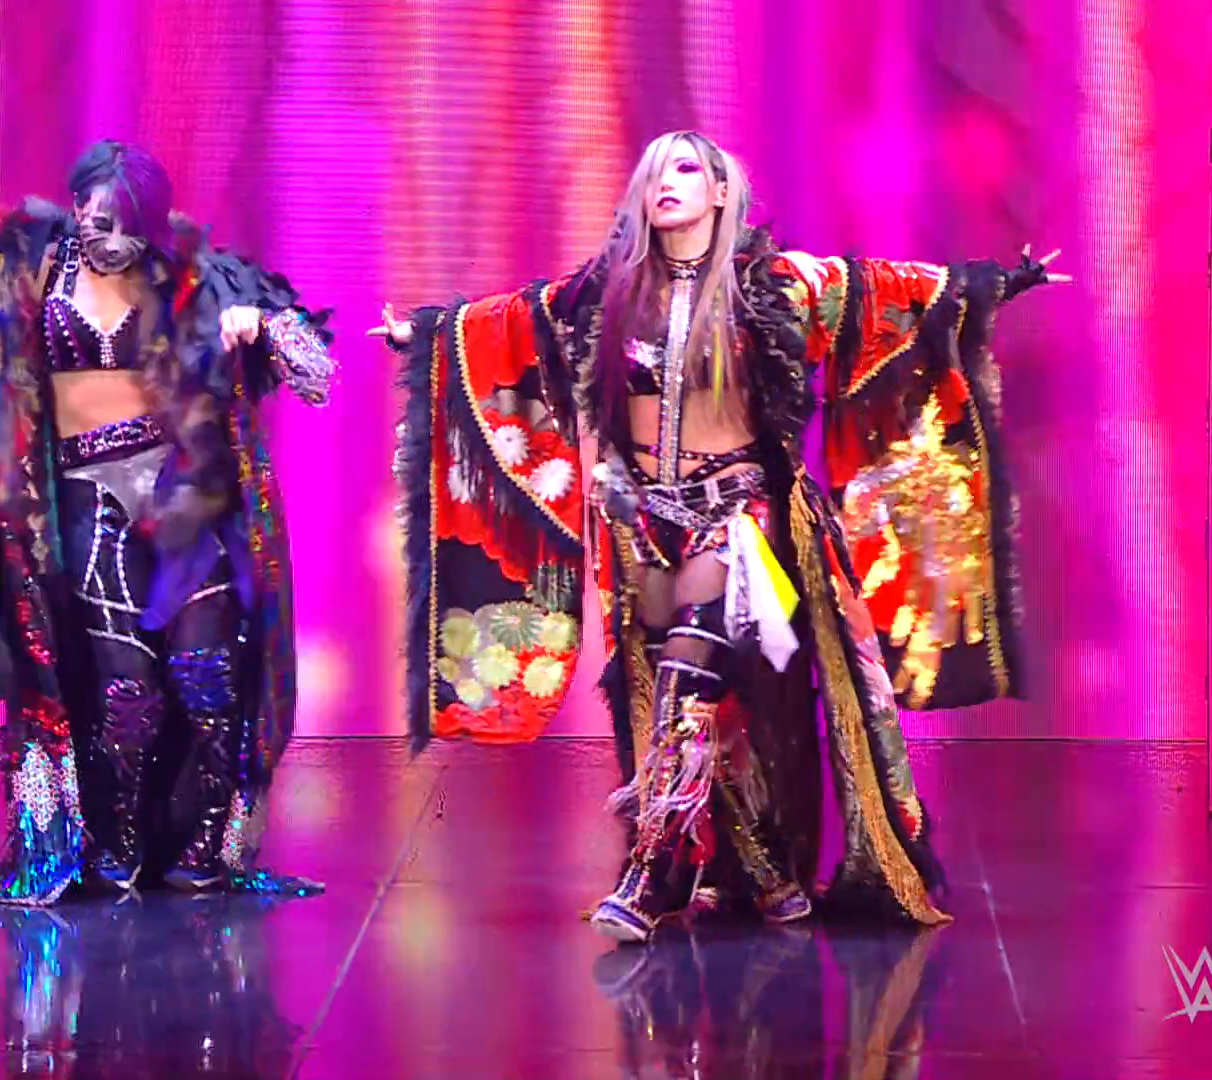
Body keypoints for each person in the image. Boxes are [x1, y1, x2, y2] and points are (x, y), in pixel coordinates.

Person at [375, 130, 1065, 942]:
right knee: (711, 701)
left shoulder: (776, 283)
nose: (665, 184)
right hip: (641, 524)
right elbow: (515, 325)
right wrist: (427, 335)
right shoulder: (607, 290)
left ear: (722, 191)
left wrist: (996, 284)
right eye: (653, 173)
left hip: (738, 519)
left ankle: (654, 867)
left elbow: (885, 295)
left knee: (689, 668)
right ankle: (761, 871)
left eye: (686, 169)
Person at [0, 140, 335, 905]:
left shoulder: (198, 277)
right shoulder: (31, 266)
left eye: (126, 226)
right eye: (96, 223)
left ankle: (204, 846)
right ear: (75, 211)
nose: (110, 240)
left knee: (207, 678)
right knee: (126, 691)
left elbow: (315, 368)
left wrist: (262, 325)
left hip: (187, 495)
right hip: (85, 496)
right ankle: (113, 842)